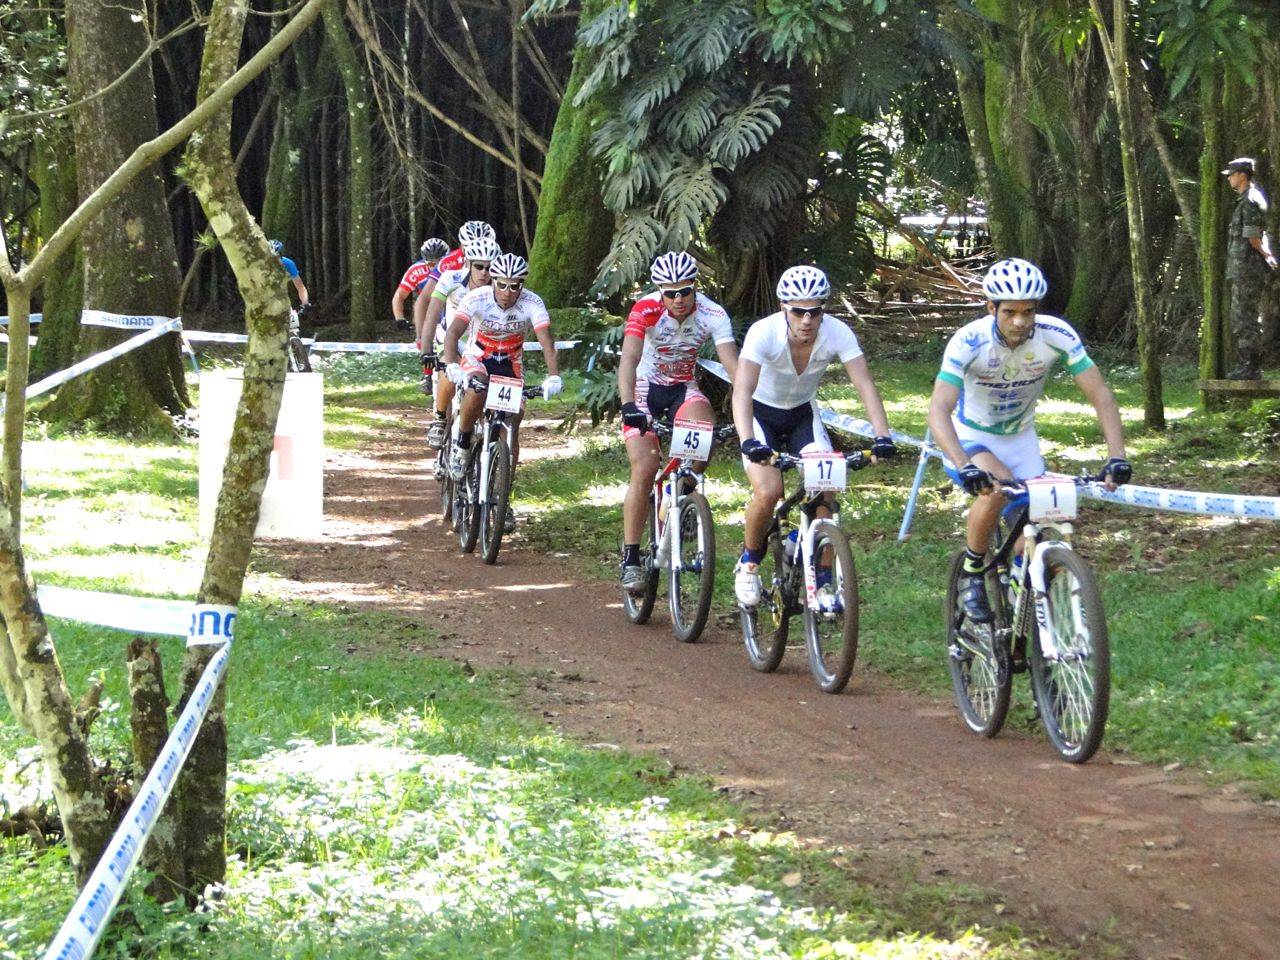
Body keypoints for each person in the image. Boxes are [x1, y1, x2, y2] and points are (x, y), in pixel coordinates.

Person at [926, 257, 1131, 624]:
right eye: (1010, 312)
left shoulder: (1057, 335)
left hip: (1021, 441)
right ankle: (972, 573)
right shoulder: (969, 341)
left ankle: (1022, 590)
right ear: (991, 308)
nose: (1020, 321)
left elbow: (1101, 395)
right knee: (998, 486)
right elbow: (938, 411)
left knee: (1042, 530)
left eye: (1028, 312)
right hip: (970, 438)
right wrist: (964, 464)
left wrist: (1117, 457)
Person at [732, 265, 896, 607]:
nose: (807, 320)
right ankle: (748, 563)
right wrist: (748, 439)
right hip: (761, 415)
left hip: (803, 416)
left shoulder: (837, 333)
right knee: (769, 491)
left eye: (815, 312)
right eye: (798, 312)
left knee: (827, 490)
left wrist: (882, 436)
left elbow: (864, 384)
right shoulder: (764, 333)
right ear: (784, 308)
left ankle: (820, 581)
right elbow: (742, 391)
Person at [618, 252, 740, 592]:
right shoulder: (645, 310)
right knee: (644, 467)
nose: (678, 300)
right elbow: (628, 360)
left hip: (682, 388)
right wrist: (629, 405)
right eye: (669, 293)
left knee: (703, 439)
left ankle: (682, 495)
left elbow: (733, 365)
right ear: (659, 291)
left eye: (684, 291)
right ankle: (630, 558)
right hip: (644, 390)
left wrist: (753, 406)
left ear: (695, 287)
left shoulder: (712, 313)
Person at [443, 253, 562, 531]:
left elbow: (547, 340)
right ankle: (462, 443)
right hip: (479, 356)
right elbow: (453, 333)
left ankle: (502, 497)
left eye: (515, 286)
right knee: (476, 388)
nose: (508, 292)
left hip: (510, 361)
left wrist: (553, 375)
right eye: (502, 284)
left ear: (523, 285)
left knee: (514, 421)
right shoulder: (477, 298)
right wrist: (451, 364)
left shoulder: (532, 303)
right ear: (493, 281)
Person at [421, 236, 501, 451]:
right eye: (479, 266)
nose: (485, 272)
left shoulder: (500, 287)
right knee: (448, 369)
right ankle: (439, 419)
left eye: (490, 267)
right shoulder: (450, 278)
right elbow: (431, 315)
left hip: (479, 345)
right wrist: (426, 350)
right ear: (467, 263)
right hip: (450, 339)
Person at [1222, 157, 1279, 380]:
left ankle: (1250, 368)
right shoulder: (1249, 198)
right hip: (1243, 269)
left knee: (1244, 318)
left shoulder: (1249, 200)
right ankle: (1249, 366)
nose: (1229, 179)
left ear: (1242, 175)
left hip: (1247, 269)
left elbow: (1254, 237)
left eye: (1232, 175)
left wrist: (1267, 255)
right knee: (1244, 318)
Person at [412, 220, 496, 343]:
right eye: (469, 246)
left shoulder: (500, 263)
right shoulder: (449, 263)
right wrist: (420, 337)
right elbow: (424, 298)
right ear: (461, 246)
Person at [393, 237, 450, 334]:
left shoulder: (457, 266)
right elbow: (399, 296)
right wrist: (400, 319)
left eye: (440, 263)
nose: (437, 268)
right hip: (428, 313)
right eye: (432, 264)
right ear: (425, 261)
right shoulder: (417, 270)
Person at [270, 239, 310, 313]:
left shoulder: (288, 264)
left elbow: (301, 287)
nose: (275, 260)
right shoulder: (262, 266)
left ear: (280, 254)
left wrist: (305, 303)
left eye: (277, 256)